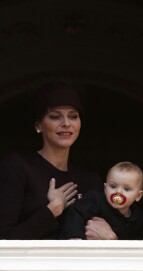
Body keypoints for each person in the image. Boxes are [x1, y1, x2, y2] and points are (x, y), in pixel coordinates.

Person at [0, 81, 102, 239]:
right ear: (39, 124)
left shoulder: (90, 180)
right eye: (55, 117)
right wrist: (51, 211)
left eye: (73, 116)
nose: (66, 124)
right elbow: (4, 238)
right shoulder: (18, 167)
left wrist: (112, 238)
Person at [60, 161, 143, 240]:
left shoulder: (138, 220)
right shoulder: (96, 200)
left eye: (127, 189)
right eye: (113, 186)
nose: (118, 192)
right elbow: (76, 212)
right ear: (105, 188)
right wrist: (75, 236)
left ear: (138, 196)